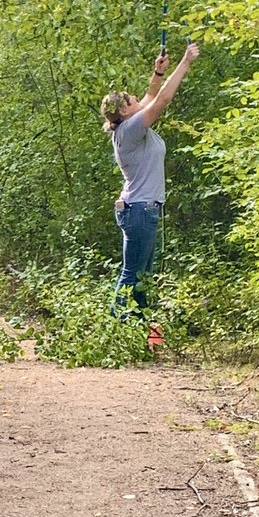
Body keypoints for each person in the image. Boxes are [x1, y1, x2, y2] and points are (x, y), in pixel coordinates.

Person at [99, 42, 200, 316]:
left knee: (143, 278)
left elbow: (149, 96)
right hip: (140, 210)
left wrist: (157, 73)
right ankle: (114, 329)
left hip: (141, 209)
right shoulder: (131, 129)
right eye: (131, 100)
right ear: (124, 112)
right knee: (133, 275)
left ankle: (138, 331)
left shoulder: (127, 124)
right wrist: (185, 63)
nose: (137, 99)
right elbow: (162, 100)